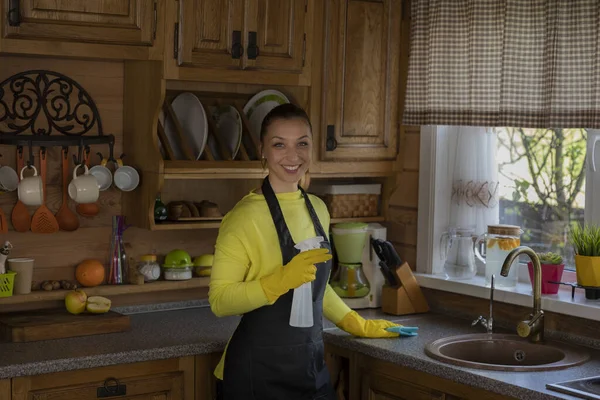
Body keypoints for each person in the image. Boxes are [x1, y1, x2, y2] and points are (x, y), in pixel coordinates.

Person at [209, 103, 402, 400]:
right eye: (279, 144)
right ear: (262, 149)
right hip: (254, 378)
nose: (292, 156)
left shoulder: (319, 209)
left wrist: (357, 323)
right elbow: (220, 301)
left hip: (308, 371)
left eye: (302, 143)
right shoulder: (242, 218)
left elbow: (317, 288)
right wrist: (279, 280)